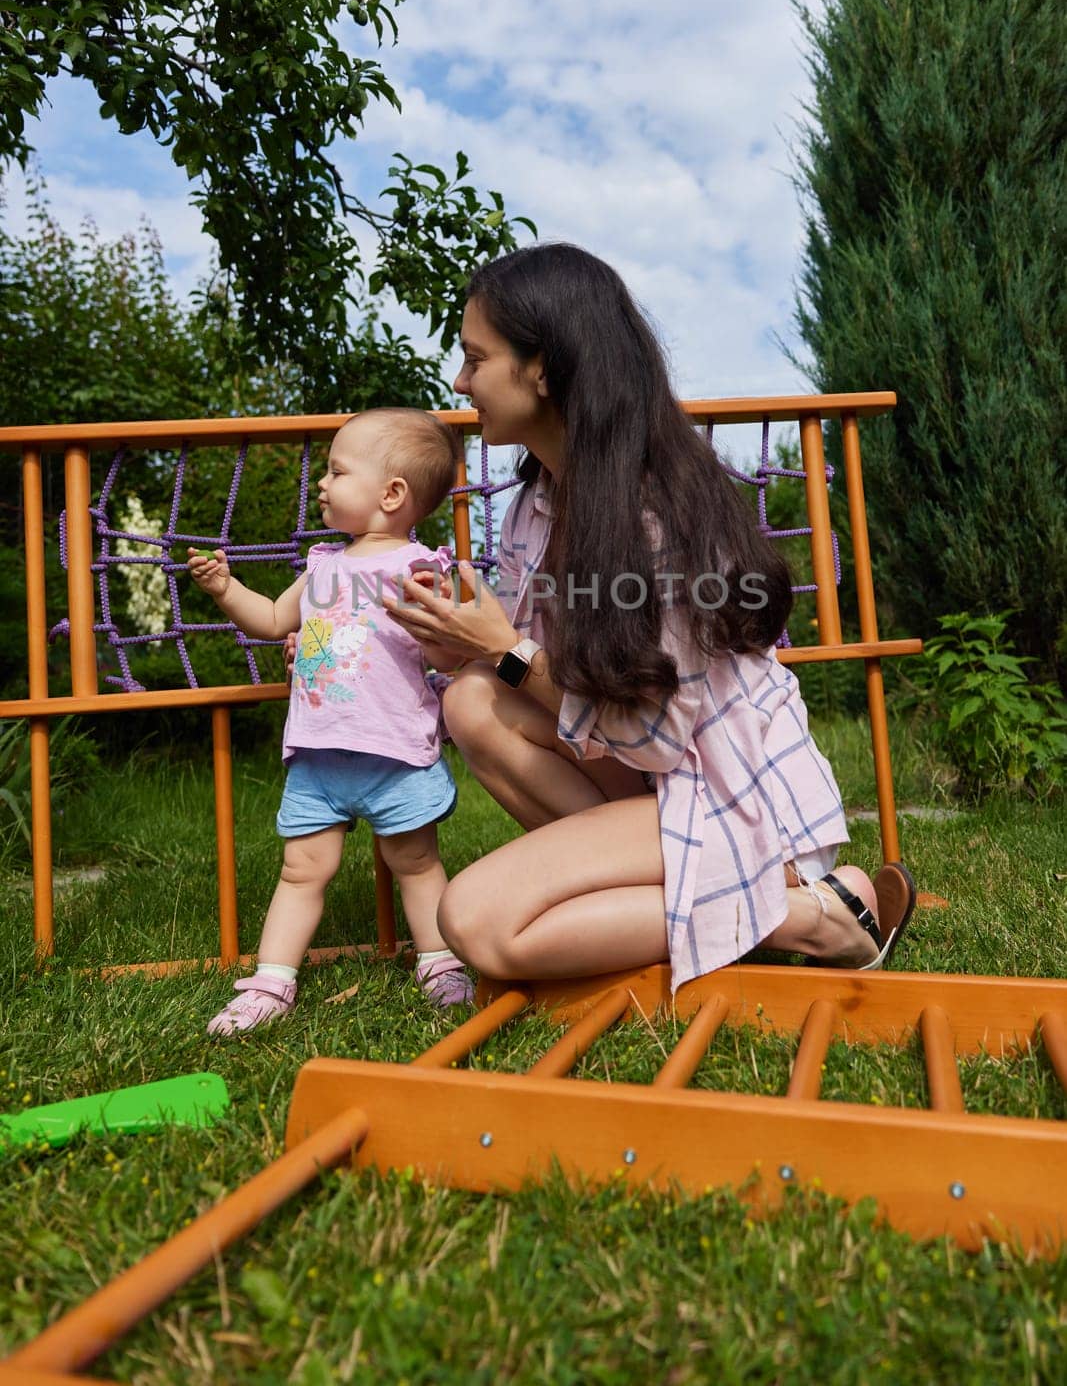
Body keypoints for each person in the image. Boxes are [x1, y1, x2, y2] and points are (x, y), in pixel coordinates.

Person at [380, 243, 917, 994]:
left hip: (730, 798)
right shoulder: (535, 505)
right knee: (471, 699)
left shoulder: (656, 515)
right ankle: (706, 906)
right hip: (657, 785)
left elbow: (655, 738)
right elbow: (546, 676)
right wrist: (462, 647)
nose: (460, 381)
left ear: (541, 367)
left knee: (476, 922)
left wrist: (504, 652)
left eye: (475, 358)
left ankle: (808, 915)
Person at [189, 408, 473, 1035]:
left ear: (391, 494)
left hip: (395, 751)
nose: (322, 483)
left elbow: (448, 655)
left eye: (337, 471)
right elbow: (269, 621)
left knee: (416, 862)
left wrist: (439, 616)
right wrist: (225, 589)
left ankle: (440, 962)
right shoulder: (322, 566)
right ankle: (271, 981)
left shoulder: (418, 568)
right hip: (319, 756)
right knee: (301, 869)